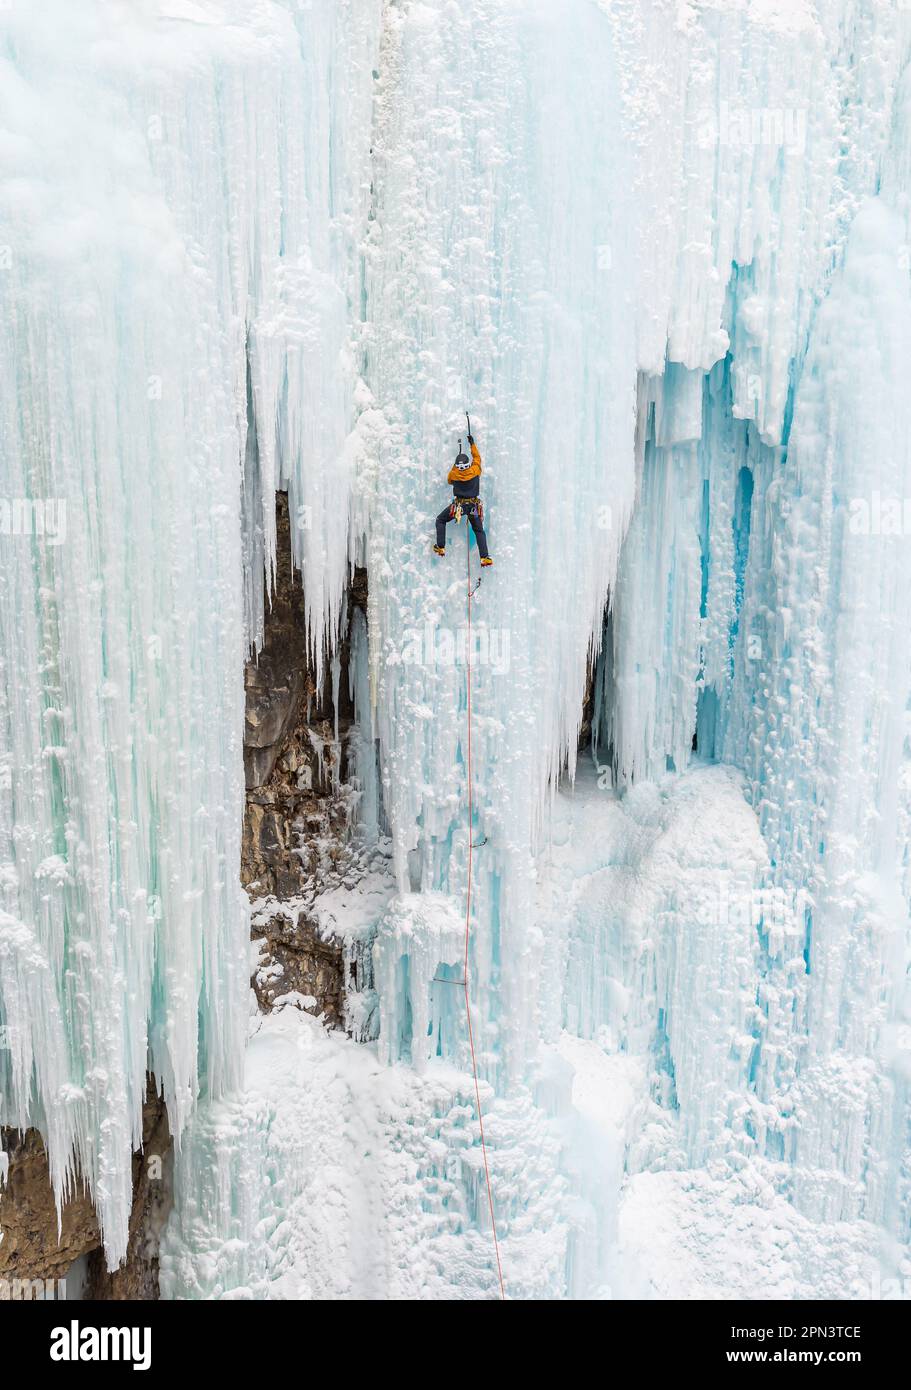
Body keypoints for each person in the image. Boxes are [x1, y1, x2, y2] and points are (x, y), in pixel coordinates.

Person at [433, 430, 493, 565]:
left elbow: (449, 480)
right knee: (478, 530)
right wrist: (472, 444)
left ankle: (441, 547)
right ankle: (485, 557)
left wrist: (455, 466)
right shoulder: (475, 470)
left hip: (459, 507)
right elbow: (477, 459)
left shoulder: (454, 474)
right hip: (473, 507)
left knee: (440, 520)